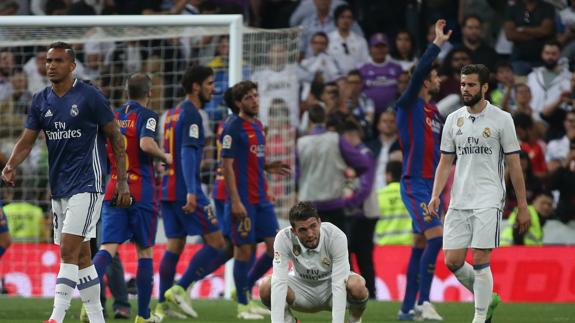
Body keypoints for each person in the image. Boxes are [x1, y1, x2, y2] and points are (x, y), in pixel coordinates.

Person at [1, 41, 131, 323]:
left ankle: (56, 317)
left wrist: (122, 181)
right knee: (83, 257)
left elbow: (116, 138)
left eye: (58, 61)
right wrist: (11, 165)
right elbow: (27, 140)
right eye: (48, 61)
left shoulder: (89, 97)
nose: (51, 65)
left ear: (72, 66)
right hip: (59, 187)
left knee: (68, 250)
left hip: (88, 183)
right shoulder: (40, 100)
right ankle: (98, 319)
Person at [428, 63, 531, 323]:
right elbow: (445, 162)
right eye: (463, 84)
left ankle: (480, 316)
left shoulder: (502, 118)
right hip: (459, 199)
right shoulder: (453, 119)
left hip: (489, 197)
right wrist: (435, 195)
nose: (465, 89)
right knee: (452, 260)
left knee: (482, 256)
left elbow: (514, 165)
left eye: (471, 84)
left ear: (484, 87)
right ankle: (487, 297)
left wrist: (522, 205)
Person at [90, 73, 172, 323]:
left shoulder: (113, 115)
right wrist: (165, 157)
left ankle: (88, 305)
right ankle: (144, 316)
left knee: (107, 249)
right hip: (141, 190)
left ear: (126, 92)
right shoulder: (148, 116)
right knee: (144, 251)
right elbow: (147, 145)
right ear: (150, 92)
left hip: (114, 186)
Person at [155, 65, 228, 320]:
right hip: (188, 189)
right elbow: (187, 152)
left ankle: (160, 308)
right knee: (218, 242)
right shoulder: (194, 114)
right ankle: (180, 288)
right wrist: (191, 191)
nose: (213, 88)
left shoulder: (170, 114)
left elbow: (166, 153)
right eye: (209, 83)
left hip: (167, 189)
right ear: (196, 87)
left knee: (174, 245)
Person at [394, 20, 451, 321]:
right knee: (436, 237)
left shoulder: (436, 114)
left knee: (420, 244)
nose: (437, 78)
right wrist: (437, 43)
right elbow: (417, 73)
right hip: (414, 183)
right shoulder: (408, 105)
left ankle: (406, 309)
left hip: (431, 186)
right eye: (434, 75)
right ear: (425, 82)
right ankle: (424, 302)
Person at [221, 80, 290, 320]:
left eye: (256, 96)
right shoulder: (232, 127)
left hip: (261, 199)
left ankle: (243, 289)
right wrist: (236, 201)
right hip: (243, 200)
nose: (255, 100)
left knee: (277, 248)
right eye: (249, 97)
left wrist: (268, 168)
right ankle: (242, 305)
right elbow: (227, 167)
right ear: (239, 103)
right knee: (244, 251)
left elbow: (253, 162)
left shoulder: (259, 126)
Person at [259, 201, 369, 323]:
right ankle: (289, 321)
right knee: (266, 286)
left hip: (330, 290)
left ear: (319, 222)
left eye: (313, 226)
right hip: (300, 291)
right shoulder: (283, 238)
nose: (310, 234)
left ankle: (355, 320)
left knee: (357, 285)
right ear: (294, 231)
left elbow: (339, 283)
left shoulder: (336, 236)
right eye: (303, 230)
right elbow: (279, 282)